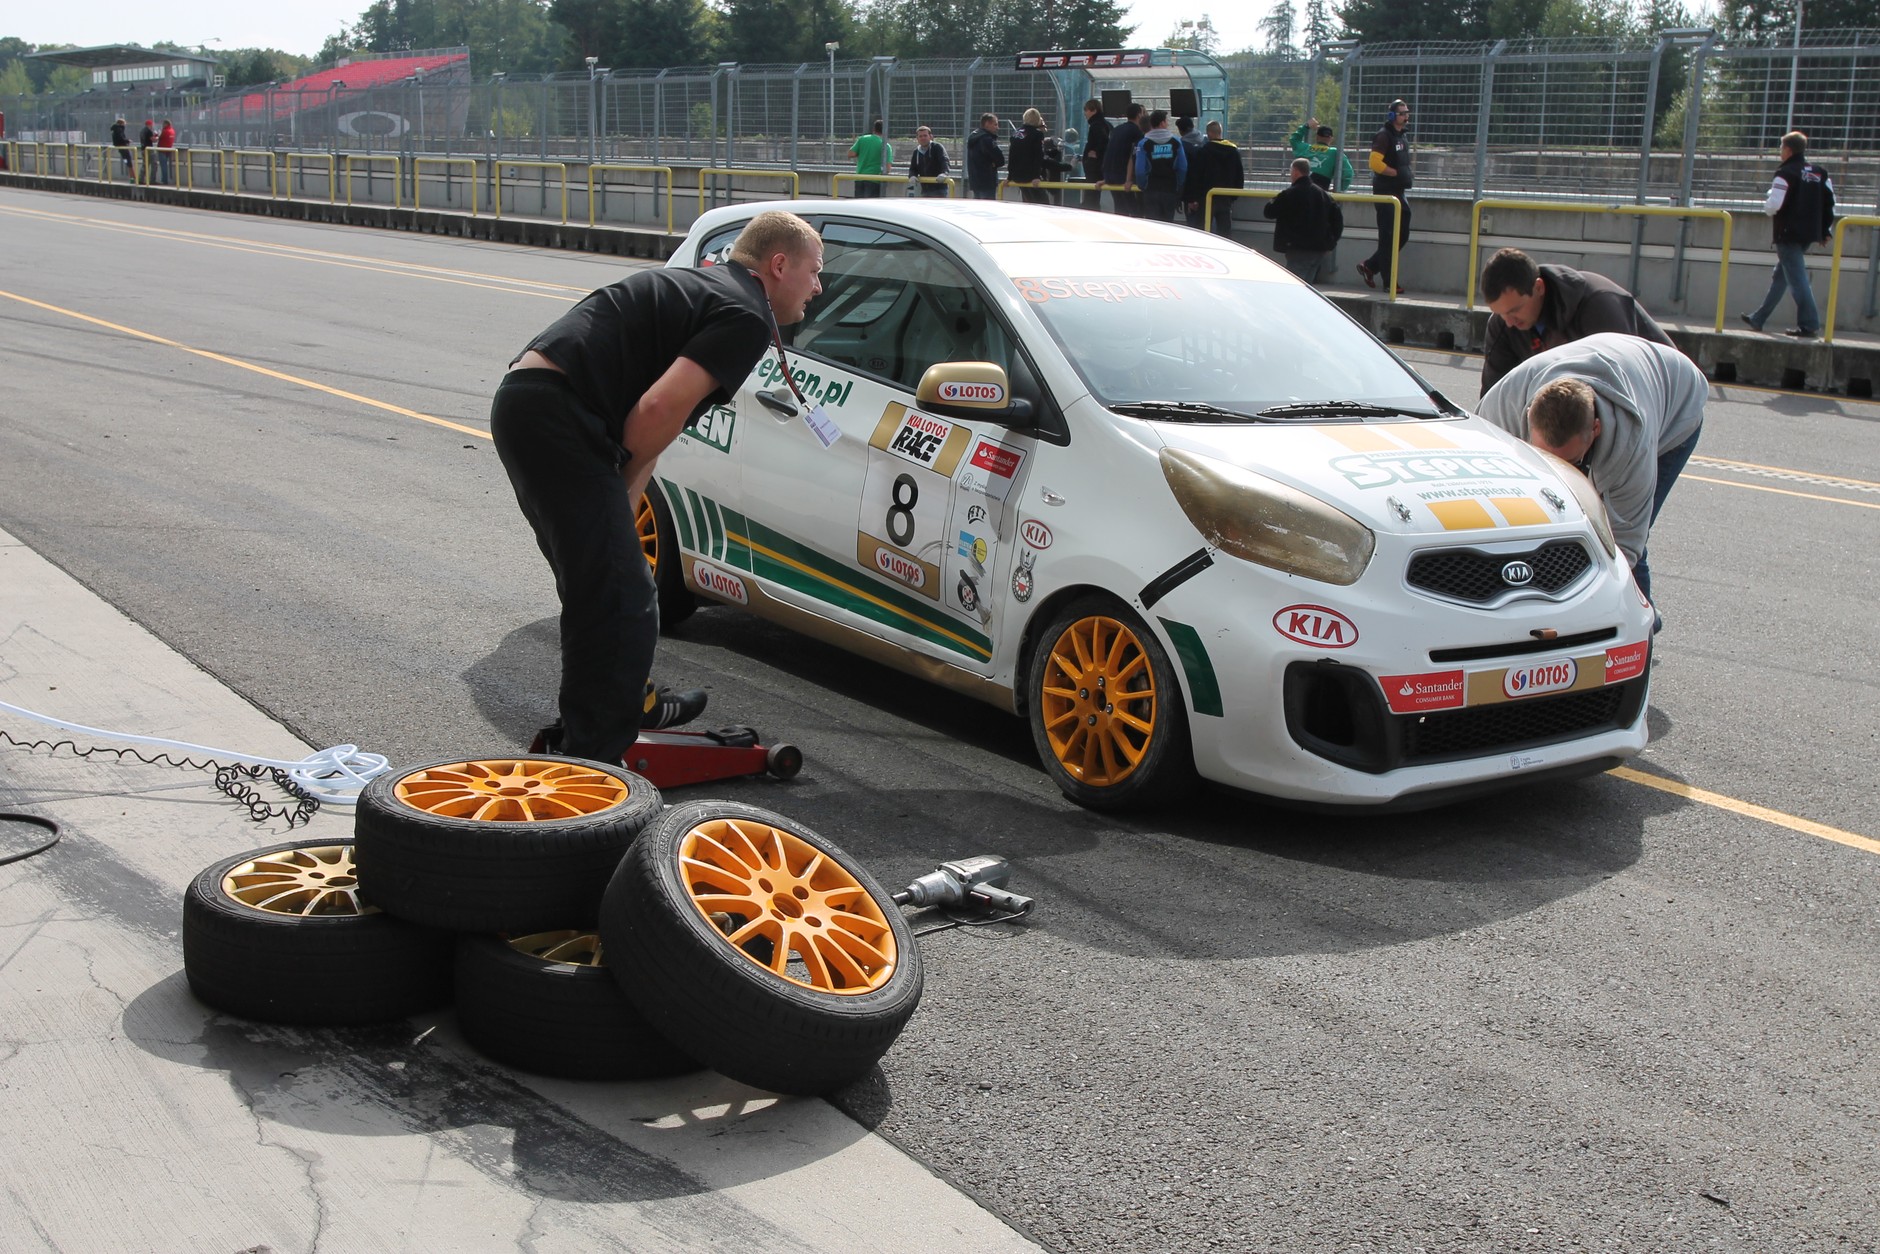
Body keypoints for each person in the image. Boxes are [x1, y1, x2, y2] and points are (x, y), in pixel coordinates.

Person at [490, 210, 824, 764]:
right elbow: (656, 409)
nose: (818, 286)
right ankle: (595, 757)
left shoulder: (711, 287)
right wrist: (619, 482)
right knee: (619, 597)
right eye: (814, 271)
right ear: (779, 264)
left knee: (612, 584)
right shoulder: (745, 314)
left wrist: (622, 497)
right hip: (558, 415)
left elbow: (655, 427)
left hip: (533, 404)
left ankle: (628, 699)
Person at [1475, 333, 1706, 617]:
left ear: (1595, 429)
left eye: (1570, 462)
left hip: (1677, 402)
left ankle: (1642, 623)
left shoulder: (1632, 447)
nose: (1561, 475)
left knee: (1611, 531)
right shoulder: (1502, 407)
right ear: (1529, 416)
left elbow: (1624, 546)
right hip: (1621, 363)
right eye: (1544, 459)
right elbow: (1478, 478)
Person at [1480, 248, 1673, 390]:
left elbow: (1624, 388)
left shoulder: (1599, 306)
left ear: (1539, 288)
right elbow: (1495, 396)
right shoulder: (1503, 324)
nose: (1509, 322)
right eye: (1500, 313)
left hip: (1669, 403)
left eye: (1515, 310)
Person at [1741, 131, 1837, 340]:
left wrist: (1766, 206)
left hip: (1787, 233)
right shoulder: (1820, 173)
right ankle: (1758, 318)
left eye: (1781, 148)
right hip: (1809, 233)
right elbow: (1830, 201)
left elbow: (1774, 204)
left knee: (1797, 279)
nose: (1780, 153)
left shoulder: (1785, 172)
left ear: (1788, 150)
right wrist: (1824, 230)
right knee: (1781, 276)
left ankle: (1809, 324)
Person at [1356, 99, 1411, 295]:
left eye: (1406, 112)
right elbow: (1374, 163)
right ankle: (1390, 282)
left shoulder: (1402, 136)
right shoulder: (1383, 136)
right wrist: (1395, 174)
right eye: (1401, 113)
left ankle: (1370, 265)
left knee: (1402, 235)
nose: (1405, 116)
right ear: (1391, 116)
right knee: (1388, 239)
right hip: (1386, 194)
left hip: (1399, 193)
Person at [1264, 157, 1343, 283]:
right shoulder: (1324, 195)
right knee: (1307, 286)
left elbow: (1269, 212)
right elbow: (1338, 221)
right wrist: (1330, 243)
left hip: (1298, 248)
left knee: (1294, 286)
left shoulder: (1289, 194)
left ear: (1295, 171)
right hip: (1319, 249)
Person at [1184, 120, 1245, 237]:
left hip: (1206, 198)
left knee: (1202, 230)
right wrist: (1234, 196)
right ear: (1220, 132)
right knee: (1224, 232)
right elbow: (1239, 175)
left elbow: (1195, 176)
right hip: (1226, 197)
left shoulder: (1203, 151)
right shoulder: (1233, 151)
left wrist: (1192, 198)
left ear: (1209, 134)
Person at [1133, 109, 1187, 223]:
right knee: (1167, 225)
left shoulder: (1143, 143)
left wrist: (1143, 185)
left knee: (1153, 226)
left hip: (1151, 189)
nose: (1167, 124)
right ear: (1162, 123)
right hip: (1170, 188)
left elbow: (1139, 171)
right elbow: (1182, 167)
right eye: (1166, 121)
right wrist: (1178, 184)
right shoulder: (1176, 142)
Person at [1288, 117, 1354, 192]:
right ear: (1331, 138)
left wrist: (1306, 126)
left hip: (1299, 189)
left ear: (1316, 136)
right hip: (1320, 192)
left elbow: (1294, 139)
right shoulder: (1335, 153)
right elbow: (1348, 173)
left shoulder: (1305, 148)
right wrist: (1339, 189)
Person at [1102, 102, 1145, 217]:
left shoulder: (1117, 130)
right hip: (1123, 177)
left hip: (1110, 176)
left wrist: (1106, 177)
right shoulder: (1137, 132)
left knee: (1120, 209)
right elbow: (1133, 157)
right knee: (1135, 211)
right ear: (1139, 115)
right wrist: (1129, 179)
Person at [1009, 108, 1049, 204]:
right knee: (1042, 203)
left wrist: (1010, 176)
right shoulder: (1037, 134)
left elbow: (1012, 155)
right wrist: (1036, 175)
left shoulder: (1016, 133)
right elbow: (1038, 156)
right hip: (1030, 175)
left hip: (1016, 175)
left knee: (1027, 201)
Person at [1080, 99, 1111, 211]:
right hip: (1098, 165)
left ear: (1094, 110)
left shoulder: (1096, 125)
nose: (1085, 113)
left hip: (1094, 167)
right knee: (1093, 195)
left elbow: (1103, 140)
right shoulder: (1105, 124)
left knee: (1091, 195)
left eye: (1086, 110)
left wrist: (1095, 153)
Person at [847, 118, 891, 198]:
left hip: (860, 178)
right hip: (874, 180)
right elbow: (888, 168)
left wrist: (862, 154)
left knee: (859, 206)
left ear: (874, 129)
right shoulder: (885, 146)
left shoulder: (862, 139)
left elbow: (850, 154)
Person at [966, 112, 1004, 200]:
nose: (997, 128)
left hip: (975, 181)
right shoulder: (987, 139)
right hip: (987, 181)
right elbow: (1000, 160)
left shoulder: (972, 137)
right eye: (995, 124)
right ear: (987, 124)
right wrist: (993, 164)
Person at [1176, 116, 1205, 225]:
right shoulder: (1205, 141)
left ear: (1181, 131)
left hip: (1189, 193)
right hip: (1207, 192)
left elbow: (1183, 171)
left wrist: (1183, 197)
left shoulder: (1181, 146)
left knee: (1192, 225)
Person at [907, 124, 950, 197]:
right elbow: (913, 168)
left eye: (925, 135)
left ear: (930, 137)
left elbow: (944, 161)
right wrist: (912, 176)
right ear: (917, 138)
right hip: (925, 190)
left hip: (940, 190)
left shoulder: (937, 147)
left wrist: (944, 173)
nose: (923, 138)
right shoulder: (916, 152)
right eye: (920, 136)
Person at [1044, 128, 1075, 205]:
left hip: (1052, 185)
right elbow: (1053, 164)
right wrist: (1070, 166)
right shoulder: (1044, 154)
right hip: (1047, 185)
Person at [156, 118, 177, 186]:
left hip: (162, 150)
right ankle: (165, 180)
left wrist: (156, 134)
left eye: (163, 124)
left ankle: (164, 180)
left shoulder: (165, 131)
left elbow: (159, 137)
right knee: (165, 165)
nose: (162, 125)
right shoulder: (172, 131)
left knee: (163, 166)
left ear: (166, 124)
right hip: (168, 150)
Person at [138, 118, 156, 184]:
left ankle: (141, 179)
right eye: (151, 125)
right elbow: (153, 140)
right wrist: (157, 137)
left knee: (145, 164)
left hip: (143, 149)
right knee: (154, 164)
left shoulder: (142, 131)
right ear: (149, 124)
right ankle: (152, 180)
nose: (152, 126)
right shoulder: (149, 131)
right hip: (149, 149)